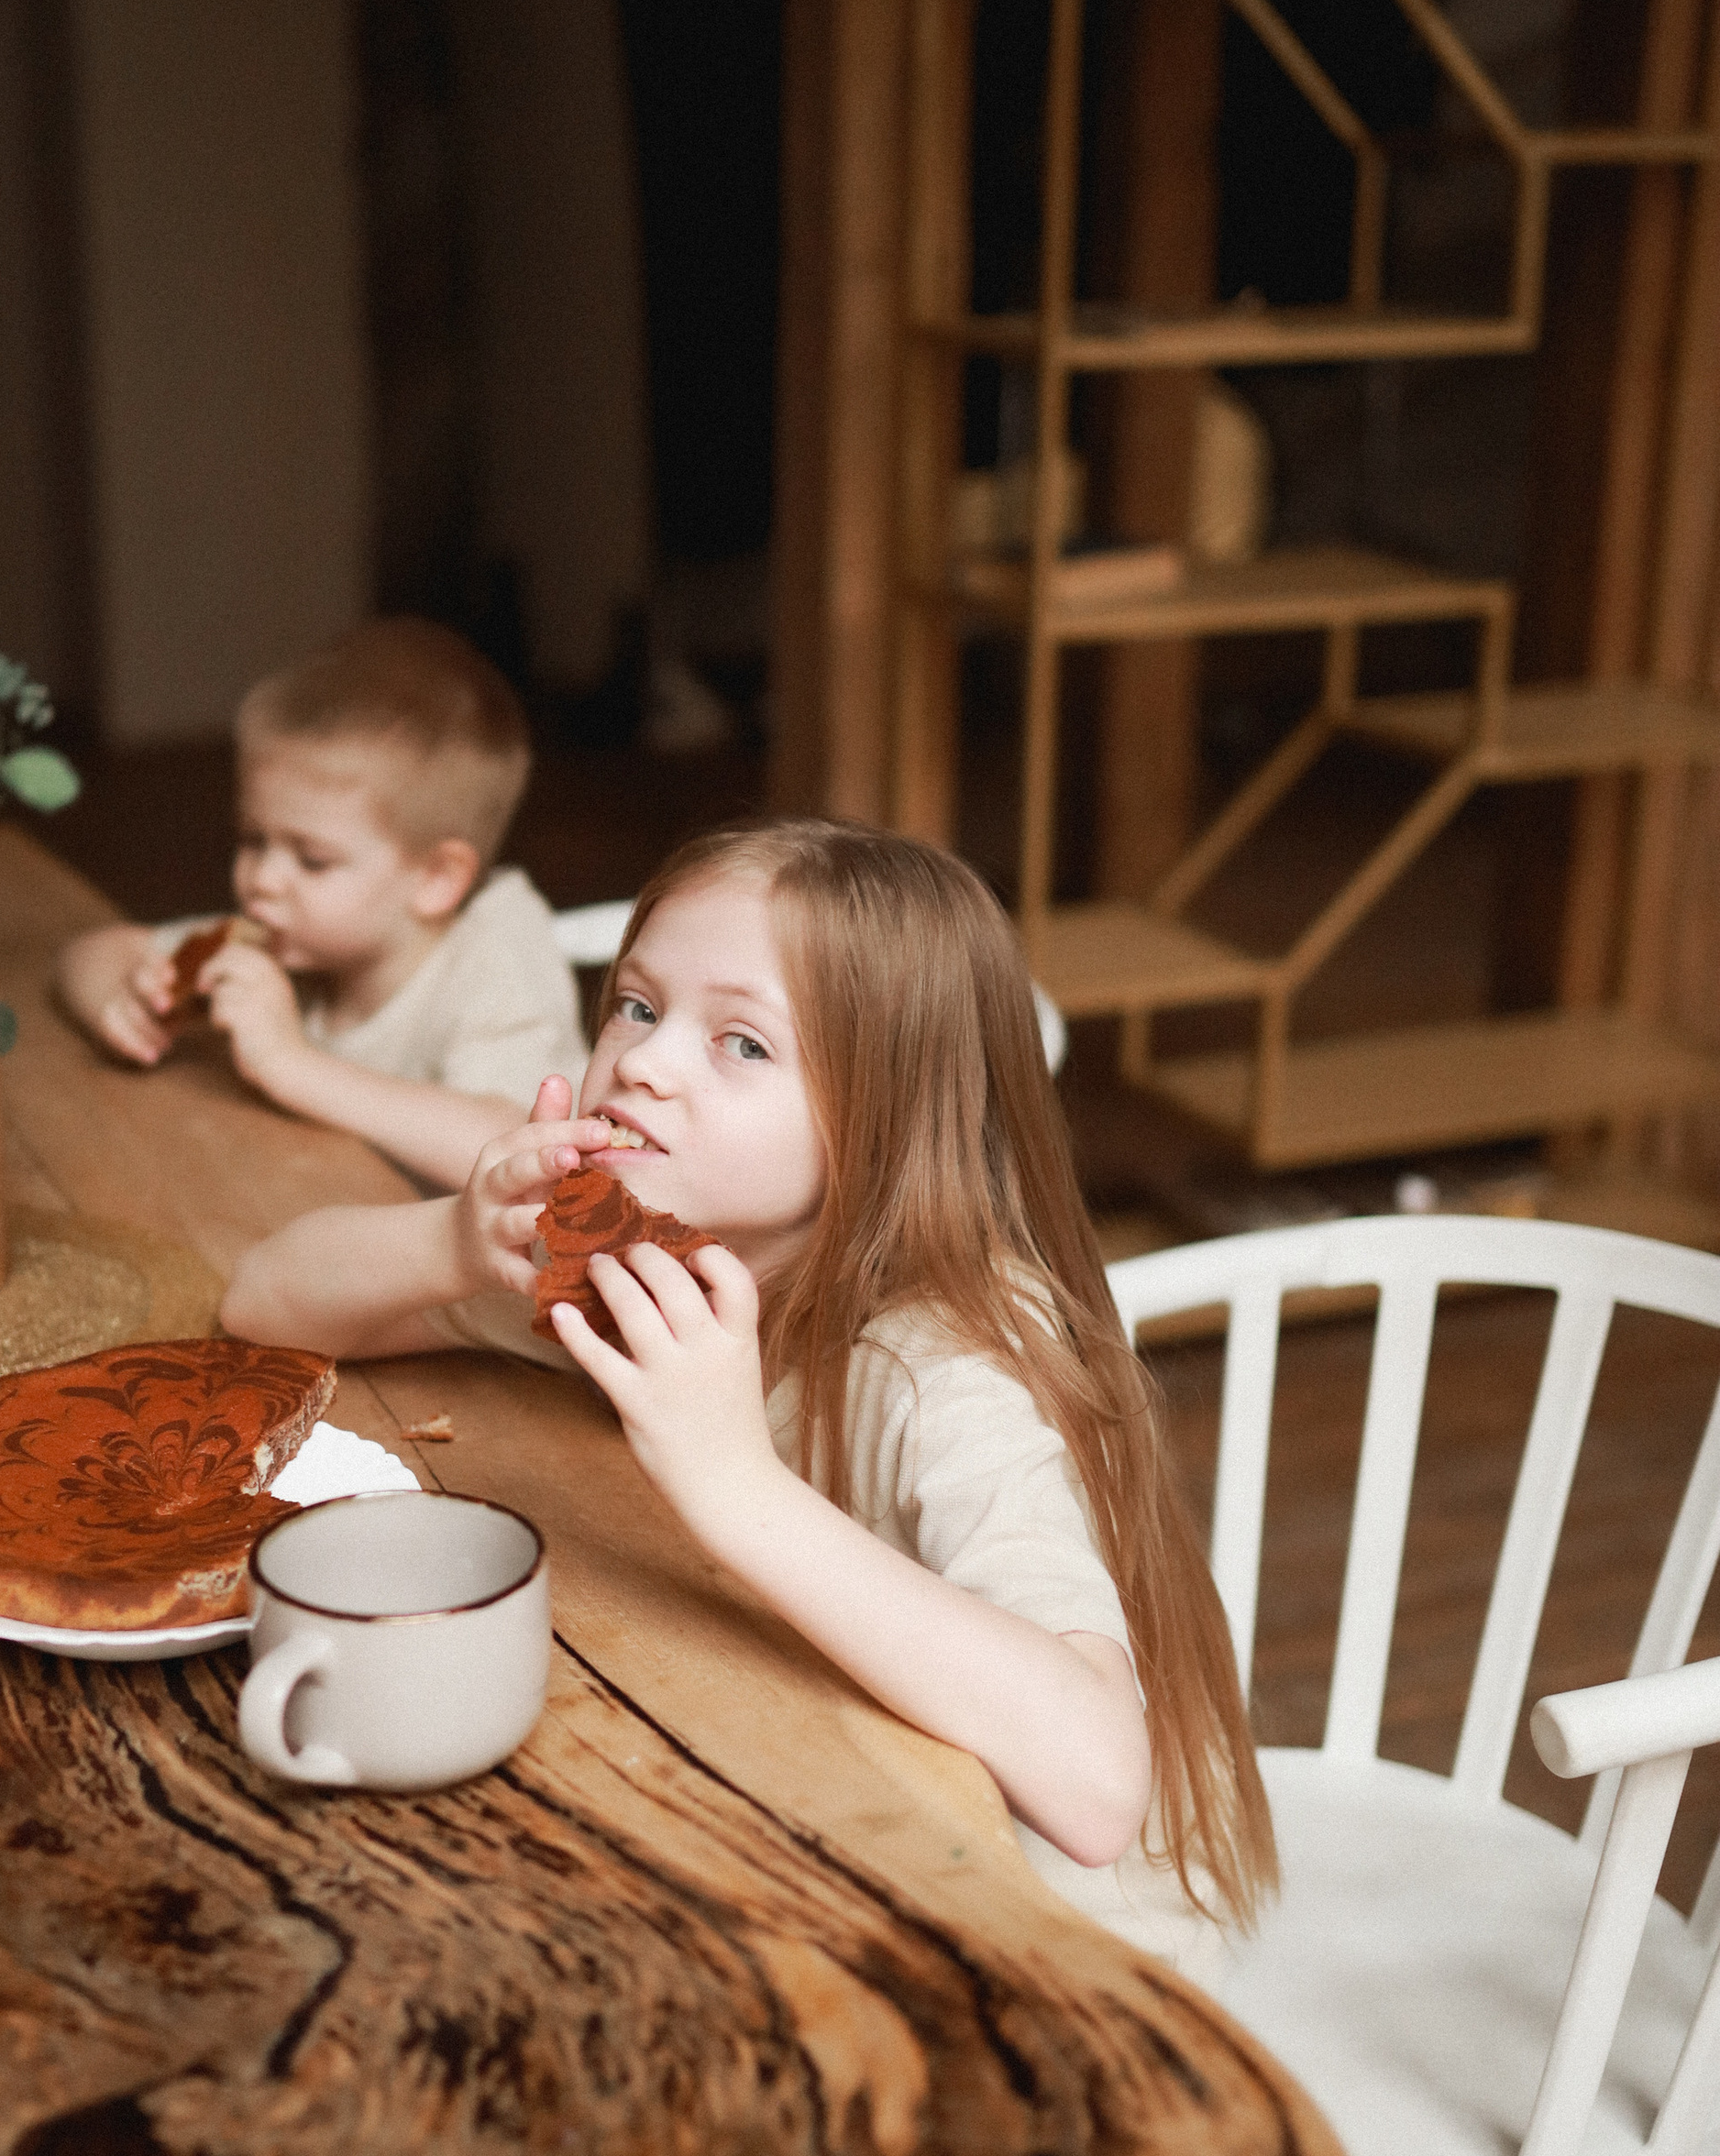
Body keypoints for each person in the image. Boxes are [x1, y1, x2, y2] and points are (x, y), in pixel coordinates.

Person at [225, 813, 1274, 1979]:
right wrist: (459, 1241)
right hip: (830, 1840)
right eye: (637, 1004)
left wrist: (729, 1478)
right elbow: (264, 1304)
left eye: (741, 1044)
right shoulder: (653, 1260)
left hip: (1070, 1965)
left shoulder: (945, 1367)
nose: (645, 1063)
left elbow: (1094, 1784)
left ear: (882, 1114)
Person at [54, 619, 589, 1189]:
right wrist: (124, 1005)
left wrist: (291, 1065)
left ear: (435, 878)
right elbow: (92, 951)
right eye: (254, 840)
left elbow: (515, 1151)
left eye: (312, 860)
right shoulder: (289, 938)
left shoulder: (496, 956)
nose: (263, 880)